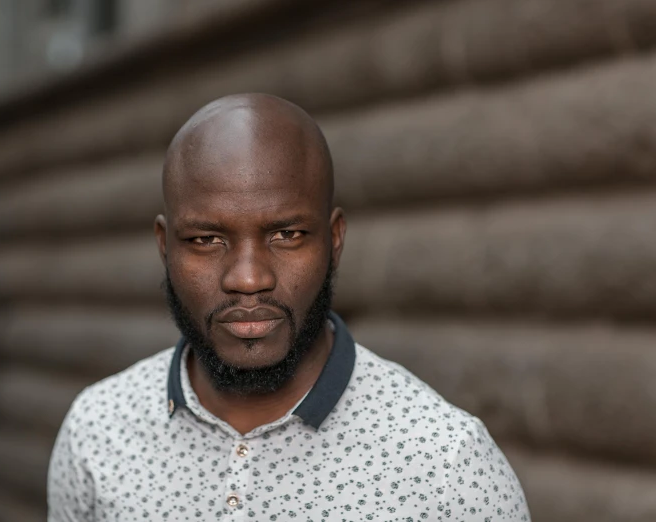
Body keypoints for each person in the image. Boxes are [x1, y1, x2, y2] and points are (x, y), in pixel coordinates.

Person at [48, 93, 530, 521]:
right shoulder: (97, 431)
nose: (248, 278)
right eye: (206, 239)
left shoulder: (448, 466)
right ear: (164, 246)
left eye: (286, 235)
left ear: (334, 240)